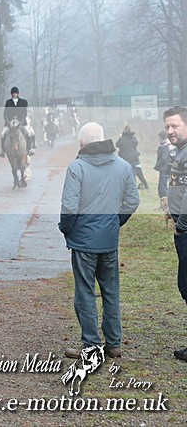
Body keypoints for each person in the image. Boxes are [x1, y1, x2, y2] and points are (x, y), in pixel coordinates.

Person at [59, 121, 140, 360]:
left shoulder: (77, 167)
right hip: (108, 240)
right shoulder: (123, 166)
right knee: (111, 291)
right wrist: (115, 222)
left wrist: (67, 230)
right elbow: (132, 201)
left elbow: (69, 207)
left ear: (82, 142)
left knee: (85, 292)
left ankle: (91, 345)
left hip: (84, 242)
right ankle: (114, 343)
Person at [164, 106, 187, 362]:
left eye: (175, 126)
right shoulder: (179, 151)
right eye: (167, 126)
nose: (170, 130)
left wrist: (182, 224)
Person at [0, 86, 36, 157]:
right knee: (2, 134)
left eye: (15, 93)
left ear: (18, 94)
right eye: (13, 93)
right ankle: (3, 151)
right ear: (11, 94)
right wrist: (7, 122)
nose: (14, 94)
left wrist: (21, 123)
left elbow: (24, 114)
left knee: (29, 132)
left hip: (21, 122)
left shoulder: (23, 102)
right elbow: (5, 113)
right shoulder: (8, 102)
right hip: (10, 122)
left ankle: (30, 148)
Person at [115, 125, 149, 190]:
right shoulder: (134, 138)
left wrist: (121, 137)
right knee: (139, 173)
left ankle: (130, 186)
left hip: (125, 158)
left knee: (127, 173)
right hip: (134, 157)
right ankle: (146, 185)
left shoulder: (122, 138)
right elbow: (135, 144)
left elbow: (117, 145)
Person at [155, 129, 175, 210]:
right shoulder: (165, 144)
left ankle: (165, 206)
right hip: (165, 168)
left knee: (162, 187)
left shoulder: (166, 145)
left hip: (165, 168)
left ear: (161, 137)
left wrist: (157, 165)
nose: (158, 139)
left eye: (158, 137)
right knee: (162, 186)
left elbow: (164, 158)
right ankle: (163, 205)